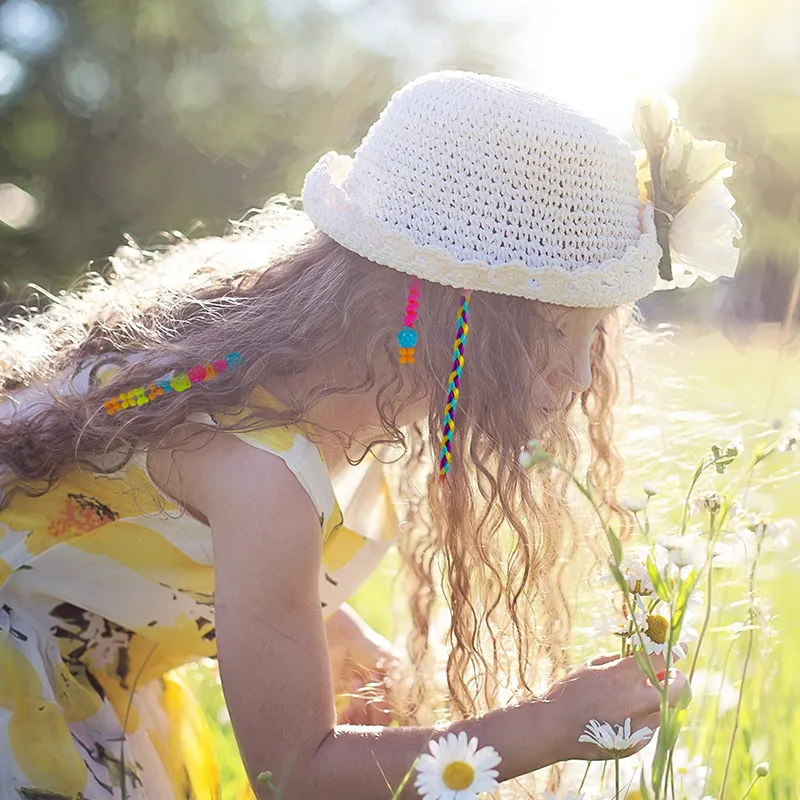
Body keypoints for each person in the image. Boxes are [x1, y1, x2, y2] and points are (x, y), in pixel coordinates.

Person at [0, 71, 691, 799]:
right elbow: (295, 774)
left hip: (90, 676)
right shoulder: (260, 473)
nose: (583, 375)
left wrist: (324, 625)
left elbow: (135, 528)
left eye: (598, 334)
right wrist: (551, 725)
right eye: (556, 329)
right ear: (448, 310)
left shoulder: (306, 380)